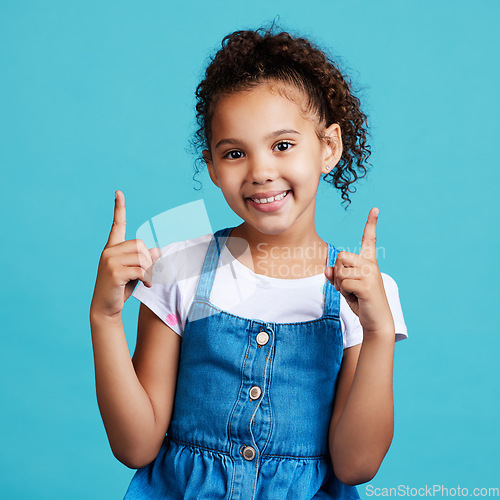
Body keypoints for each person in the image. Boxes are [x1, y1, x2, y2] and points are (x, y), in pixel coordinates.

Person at [90, 24, 408, 499]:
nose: (260, 171)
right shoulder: (177, 269)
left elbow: (357, 465)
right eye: (235, 152)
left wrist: (379, 332)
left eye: (283, 145)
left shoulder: (366, 293)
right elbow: (135, 447)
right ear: (213, 167)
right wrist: (105, 316)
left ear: (329, 148)